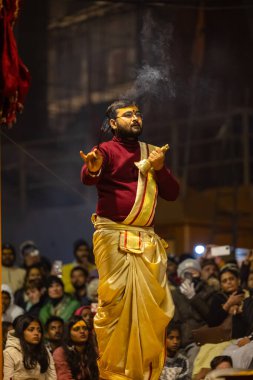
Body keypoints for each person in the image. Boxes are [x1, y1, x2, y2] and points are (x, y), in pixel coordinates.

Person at [80, 99, 179, 379]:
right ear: (113, 123)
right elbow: (89, 176)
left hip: (147, 242)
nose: (135, 118)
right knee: (115, 308)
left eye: (137, 114)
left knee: (150, 314)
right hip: (113, 237)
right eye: (127, 115)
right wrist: (93, 169)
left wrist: (159, 168)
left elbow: (172, 193)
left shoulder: (153, 153)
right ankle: (115, 375)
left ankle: (147, 374)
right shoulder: (106, 150)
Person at [3, 314, 56, 379]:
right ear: (21, 332)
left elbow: (52, 377)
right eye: (31, 330)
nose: (36, 333)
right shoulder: (10, 352)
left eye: (39, 330)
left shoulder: (44, 350)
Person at [53, 315, 98, 380]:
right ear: (68, 333)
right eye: (76, 329)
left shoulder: (94, 350)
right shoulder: (60, 352)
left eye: (85, 328)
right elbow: (64, 377)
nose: (82, 331)